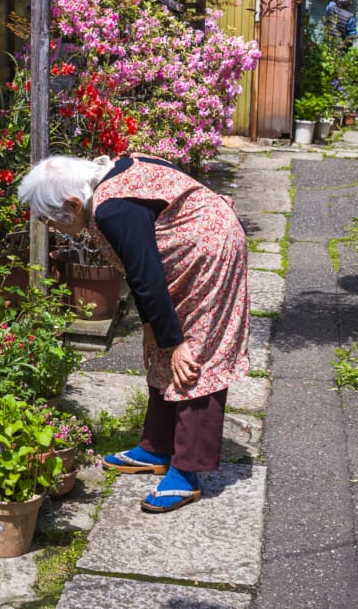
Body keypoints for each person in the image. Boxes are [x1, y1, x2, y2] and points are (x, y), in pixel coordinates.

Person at [18, 154, 250, 513]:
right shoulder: (110, 174)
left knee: (194, 358)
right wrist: (150, 328)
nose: (51, 228)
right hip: (187, 248)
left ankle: (187, 472)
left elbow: (146, 276)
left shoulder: (112, 209)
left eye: (51, 220)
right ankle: (156, 446)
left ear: (73, 204)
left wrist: (174, 342)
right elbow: (143, 271)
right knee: (162, 341)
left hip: (213, 249)